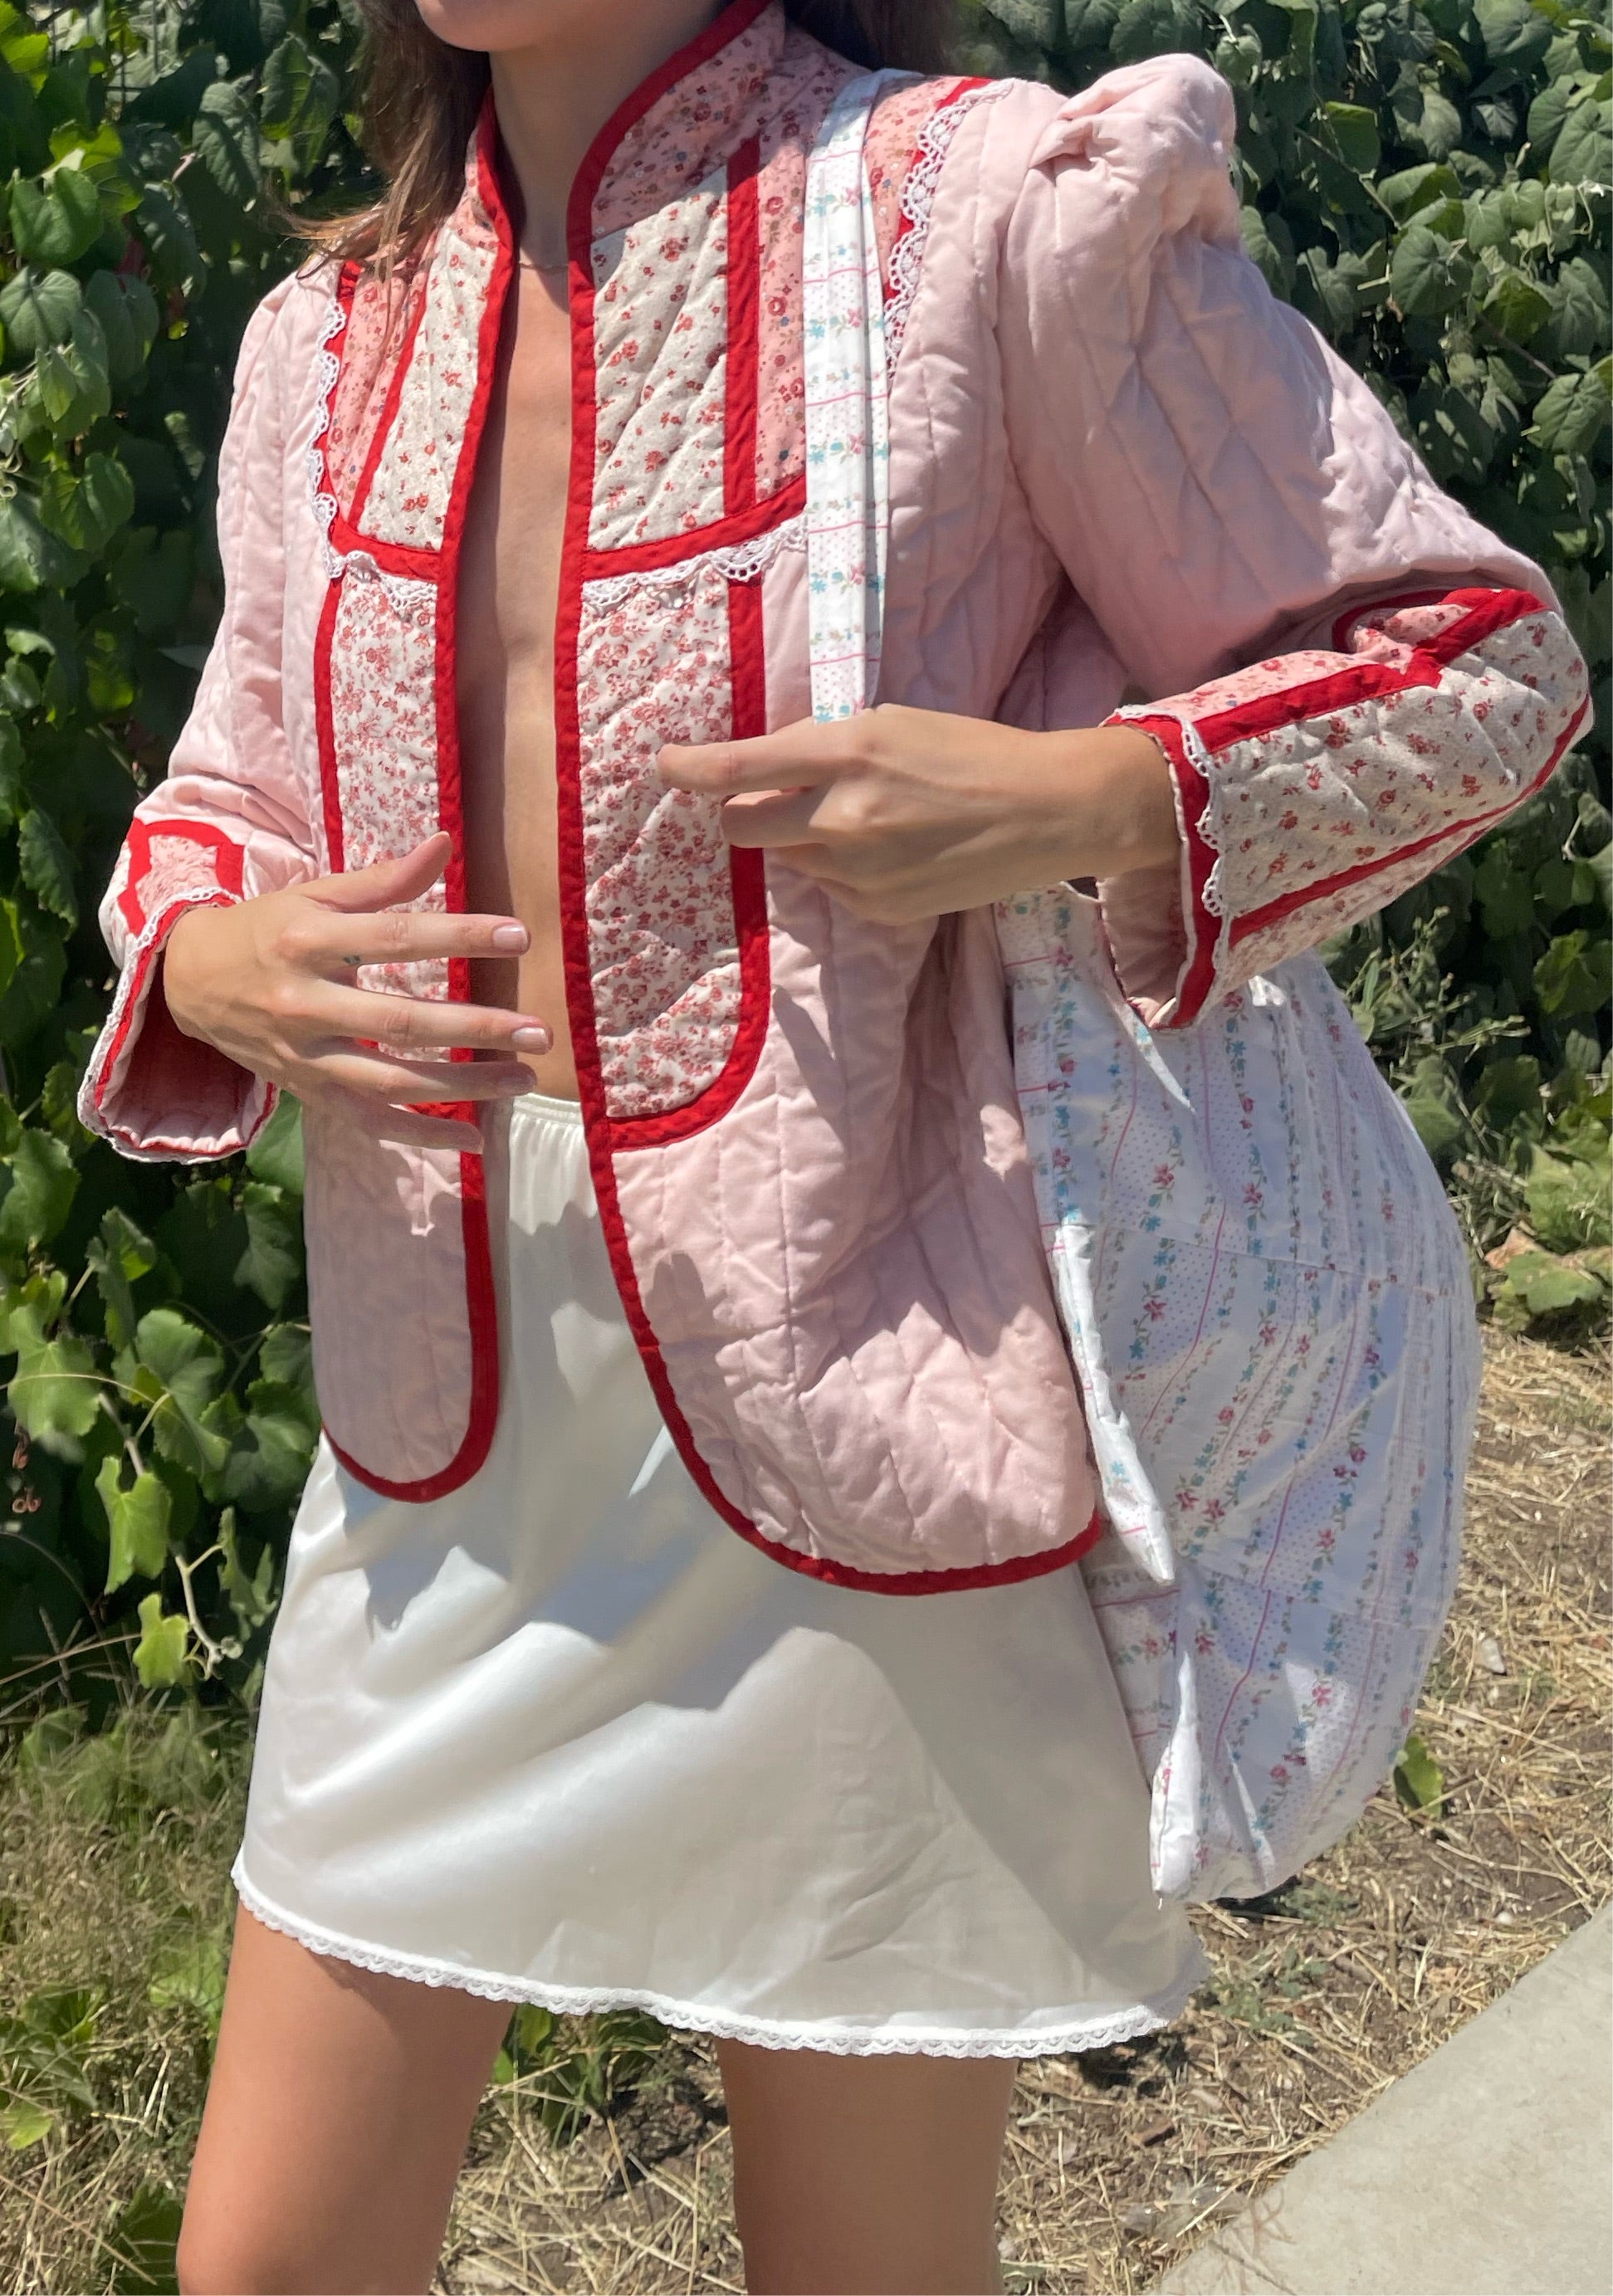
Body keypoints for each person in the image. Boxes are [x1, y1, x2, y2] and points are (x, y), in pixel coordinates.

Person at [80, 0, 1589, 2286]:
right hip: (450, 1431)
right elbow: (225, 793)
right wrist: (207, 956)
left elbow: (1475, 667)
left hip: (879, 1382)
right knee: (265, 2263)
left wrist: (1081, 802)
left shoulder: (989, 217)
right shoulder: (329, 331)